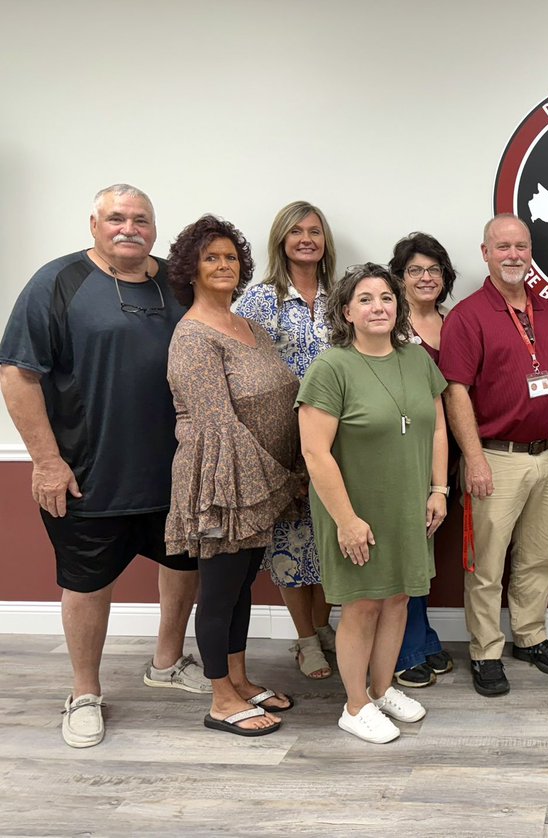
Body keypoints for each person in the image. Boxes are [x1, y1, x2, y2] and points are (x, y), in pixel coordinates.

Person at [0, 184, 208, 749]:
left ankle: (166, 663)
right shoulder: (57, 282)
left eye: (141, 219)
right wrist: (46, 461)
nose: (129, 228)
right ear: (94, 224)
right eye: (116, 218)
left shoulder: (178, 284)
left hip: (175, 471)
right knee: (87, 582)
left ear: (155, 229)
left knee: (183, 565)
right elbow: (17, 374)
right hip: (90, 473)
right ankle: (84, 691)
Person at [440, 213, 548, 697]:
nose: (513, 255)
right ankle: (485, 650)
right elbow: (455, 392)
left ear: (531, 252)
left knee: (538, 556)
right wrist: (475, 459)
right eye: (502, 246)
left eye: (521, 246)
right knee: (485, 565)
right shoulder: (467, 316)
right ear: (485, 253)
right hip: (495, 457)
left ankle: (529, 636)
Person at [298, 263, 448, 743]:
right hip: (354, 509)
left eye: (386, 297)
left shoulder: (418, 360)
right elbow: (314, 452)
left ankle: (381, 690)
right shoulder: (331, 368)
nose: (378, 306)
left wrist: (439, 489)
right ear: (347, 311)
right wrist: (346, 520)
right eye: (365, 299)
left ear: (398, 306)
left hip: (408, 503)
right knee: (362, 606)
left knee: (399, 598)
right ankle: (355, 704)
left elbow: (438, 429)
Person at [164, 215, 301, 737]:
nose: (224, 265)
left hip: (261, 481)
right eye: (211, 258)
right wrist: (280, 480)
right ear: (191, 270)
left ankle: (238, 678)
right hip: (223, 482)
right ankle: (220, 697)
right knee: (219, 590)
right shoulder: (194, 337)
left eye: (230, 256)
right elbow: (218, 427)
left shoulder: (249, 325)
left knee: (243, 584)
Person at [234, 200, 339, 680]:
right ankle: (304, 639)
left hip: (340, 439)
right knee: (294, 543)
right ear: (281, 240)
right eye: (296, 231)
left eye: (314, 231)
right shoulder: (260, 300)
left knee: (332, 538)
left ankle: (323, 627)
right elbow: (235, 364)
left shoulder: (342, 295)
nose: (306, 239)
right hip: (284, 443)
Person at [386, 231, 458, 688]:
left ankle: (423, 636)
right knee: (408, 554)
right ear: (400, 278)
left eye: (434, 270)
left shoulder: (454, 322)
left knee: (424, 551)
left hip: (445, 452)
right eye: (415, 270)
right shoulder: (392, 328)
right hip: (404, 453)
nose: (426, 277)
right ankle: (404, 651)